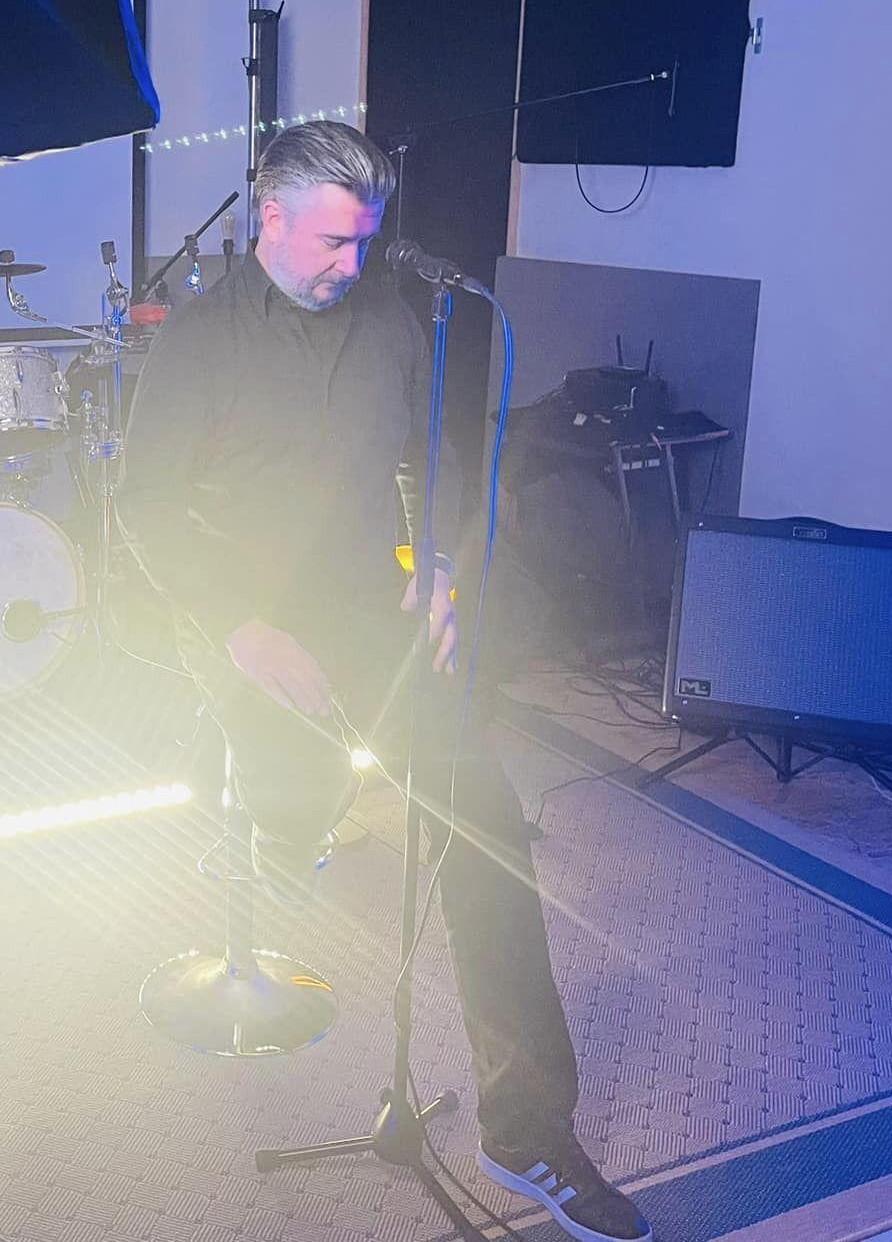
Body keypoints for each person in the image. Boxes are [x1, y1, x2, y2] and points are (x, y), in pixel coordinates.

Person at [117, 120, 651, 1242]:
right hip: (249, 622)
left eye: (364, 241)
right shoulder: (199, 343)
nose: (350, 264)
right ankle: (268, 817)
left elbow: (433, 457)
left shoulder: (395, 323)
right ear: (267, 219)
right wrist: (242, 630)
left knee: (483, 828)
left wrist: (440, 565)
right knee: (290, 810)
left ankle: (525, 1129)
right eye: (331, 241)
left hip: (370, 616)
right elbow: (145, 505)